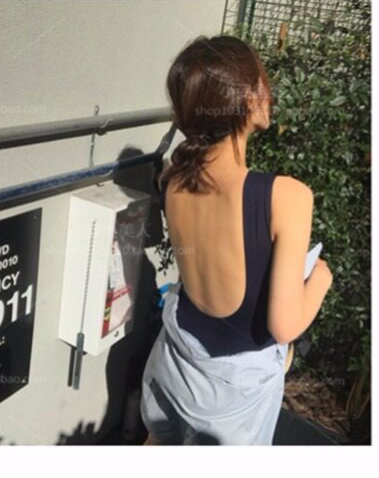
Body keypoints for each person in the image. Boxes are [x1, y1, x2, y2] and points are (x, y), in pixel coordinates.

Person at [140, 35, 334, 445]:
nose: (269, 92)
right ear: (245, 98)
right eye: (263, 82)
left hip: (176, 362)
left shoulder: (173, 180)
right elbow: (284, 326)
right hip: (231, 401)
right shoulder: (287, 196)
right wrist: (320, 279)